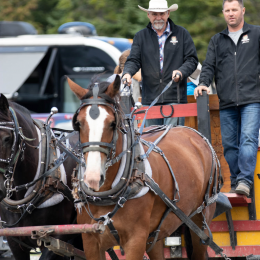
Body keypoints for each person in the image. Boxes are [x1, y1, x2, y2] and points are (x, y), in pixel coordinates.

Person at [194, 0, 260, 197]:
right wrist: (203, 83)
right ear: (223, 13)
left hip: (252, 99)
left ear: (242, 11)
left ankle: (245, 181)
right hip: (227, 101)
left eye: (234, 10)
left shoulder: (256, 34)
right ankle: (238, 179)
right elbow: (208, 66)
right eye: (227, 10)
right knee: (229, 145)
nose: (231, 13)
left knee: (248, 139)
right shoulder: (217, 40)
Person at [122, 0, 198, 127]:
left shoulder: (182, 34)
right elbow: (133, 60)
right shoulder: (140, 36)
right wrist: (127, 73)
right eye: (154, 14)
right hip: (150, 99)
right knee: (151, 141)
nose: (158, 17)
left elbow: (192, 60)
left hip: (175, 98)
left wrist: (181, 71)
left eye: (161, 14)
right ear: (149, 15)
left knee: (173, 140)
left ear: (168, 13)